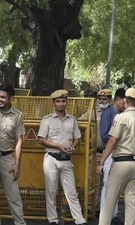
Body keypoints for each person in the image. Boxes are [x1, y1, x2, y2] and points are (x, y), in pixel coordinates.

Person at [96, 88, 135, 225]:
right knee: (131, 202)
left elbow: (112, 141)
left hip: (121, 162)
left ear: (125, 100)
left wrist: (102, 161)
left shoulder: (121, 117)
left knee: (109, 201)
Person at [38, 90, 87, 225]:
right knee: (51, 191)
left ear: (67, 102)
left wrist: (72, 146)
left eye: (63, 101)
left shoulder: (72, 120)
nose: (61, 104)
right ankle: (53, 220)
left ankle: (80, 220)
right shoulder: (47, 120)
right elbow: (41, 140)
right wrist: (58, 146)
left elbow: (77, 138)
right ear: (53, 103)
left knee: (71, 192)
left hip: (66, 159)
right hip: (51, 158)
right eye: (58, 101)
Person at [0, 84, 27, 225]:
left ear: (11, 98)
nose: (0, 99)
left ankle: (20, 223)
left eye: (3, 97)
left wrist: (17, 163)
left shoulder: (17, 115)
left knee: (14, 196)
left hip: (6, 159)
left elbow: (19, 141)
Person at [98, 88, 126, 225]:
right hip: (109, 152)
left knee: (114, 185)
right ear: (118, 100)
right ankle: (105, 213)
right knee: (107, 185)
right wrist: (117, 138)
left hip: (118, 152)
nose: (125, 104)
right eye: (124, 101)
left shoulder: (121, 114)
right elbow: (104, 135)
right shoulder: (108, 114)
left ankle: (113, 214)